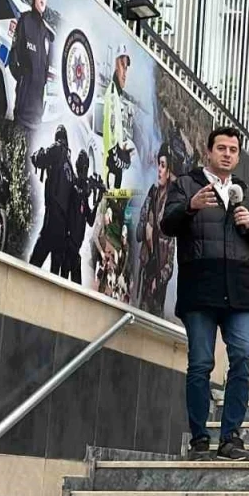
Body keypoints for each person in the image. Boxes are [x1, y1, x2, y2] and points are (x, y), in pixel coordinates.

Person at [161, 127, 249, 462]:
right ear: (208, 152)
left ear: (238, 156)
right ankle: (199, 439)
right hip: (200, 287)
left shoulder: (246, 193)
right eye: (221, 148)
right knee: (201, 363)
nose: (227, 154)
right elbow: (167, 225)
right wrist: (190, 207)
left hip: (240, 290)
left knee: (244, 357)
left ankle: (230, 437)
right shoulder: (186, 184)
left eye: (233, 150)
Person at [133, 143, 180, 314]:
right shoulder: (152, 194)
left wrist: (158, 281)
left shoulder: (172, 202)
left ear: (169, 172)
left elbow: (170, 259)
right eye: (158, 164)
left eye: (163, 165)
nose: (159, 169)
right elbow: (139, 233)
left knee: (153, 317)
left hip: (158, 280)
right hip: (146, 268)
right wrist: (146, 226)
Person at [8, 0, 53, 131]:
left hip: (37, 119)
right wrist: (23, 82)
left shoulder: (46, 34)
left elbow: (45, 73)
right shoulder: (24, 21)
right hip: (22, 115)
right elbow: (13, 59)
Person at [28, 125, 75, 273]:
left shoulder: (57, 148)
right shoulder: (70, 166)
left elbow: (40, 159)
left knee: (32, 266)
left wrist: (36, 154)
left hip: (52, 218)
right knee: (54, 274)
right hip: (63, 228)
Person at [63, 150, 103, 283]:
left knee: (76, 288)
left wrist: (97, 202)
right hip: (67, 247)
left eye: (86, 168)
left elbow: (90, 220)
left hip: (75, 250)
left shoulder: (83, 195)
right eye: (82, 168)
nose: (84, 172)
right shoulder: (72, 186)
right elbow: (76, 194)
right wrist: (88, 189)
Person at [102, 45, 134, 188]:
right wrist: (116, 154)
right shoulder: (112, 94)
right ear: (115, 65)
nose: (125, 73)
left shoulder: (117, 94)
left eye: (126, 68)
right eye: (122, 66)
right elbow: (109, 131)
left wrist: (122, 147)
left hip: (113, 166)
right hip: (111, 166)